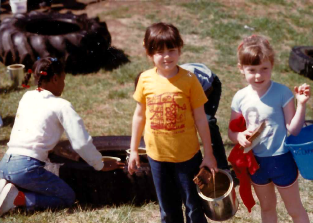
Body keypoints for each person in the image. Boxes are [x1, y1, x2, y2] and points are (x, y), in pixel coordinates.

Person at [0, 57, 120, 216]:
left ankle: (6, 188)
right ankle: (18, 199)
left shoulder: (27, 97)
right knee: (66, 197)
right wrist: (99, 164)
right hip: (26, 167)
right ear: (55, 78)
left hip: (5, 163)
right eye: (63, 79)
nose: (64, 84)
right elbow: (81, 143)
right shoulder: (61, 105)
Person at [128, 22, 217, 223]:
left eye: (172, 50)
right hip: (157, 158)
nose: (167, 56)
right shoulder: (145, 79)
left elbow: (201, 119)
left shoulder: (189, 80)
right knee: (168, 209)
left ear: (180, 49)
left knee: (194, 207)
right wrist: (133, 150)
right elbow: (139, 115)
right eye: (160, 52)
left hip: (188, 157)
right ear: (149, 53)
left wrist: (209, 154)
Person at [228, 35, 311, 223]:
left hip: (281, 159)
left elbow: (294, 129)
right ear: (241, 69)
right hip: (256, 163)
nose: (258, 75)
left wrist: (301, 105)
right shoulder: (240, 97)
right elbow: (231, 133)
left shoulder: (282, 92)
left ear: (272, 65)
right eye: (252, 70)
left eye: (264, 69)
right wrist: (239, 136)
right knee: (267, 207)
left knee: (294, 209)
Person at [179, 63, 229, 170]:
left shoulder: (187, 80)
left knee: (207, 121)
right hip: (193, 89)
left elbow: (199, 109)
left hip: (209, 86)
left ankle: (222, 167)